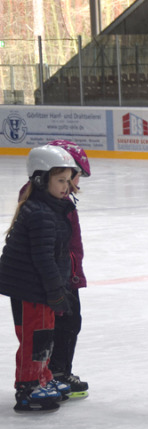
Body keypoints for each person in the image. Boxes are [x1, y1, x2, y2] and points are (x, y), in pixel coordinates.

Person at [0, 145, 80, 413]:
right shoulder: (41, 214)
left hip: (39, 288)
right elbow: (43, 259)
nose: (66, 186)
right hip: (31, 289)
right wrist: (56, 291)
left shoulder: (51, 209)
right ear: (40, 179)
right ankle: (28, 387)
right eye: (60, 180)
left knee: (44, 337)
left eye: (68, 180)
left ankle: (42, 377)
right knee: (35, 339)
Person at [16, 140, 92, 399]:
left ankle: (51, 374)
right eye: (68, 178)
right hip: (52, 280)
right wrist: (66, 278)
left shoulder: (58, 200)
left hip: (63, 274)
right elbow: (47, 250)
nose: (74, 182)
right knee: (52, 329)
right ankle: (47, 375)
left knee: (66, 324)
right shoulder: (43, 204)